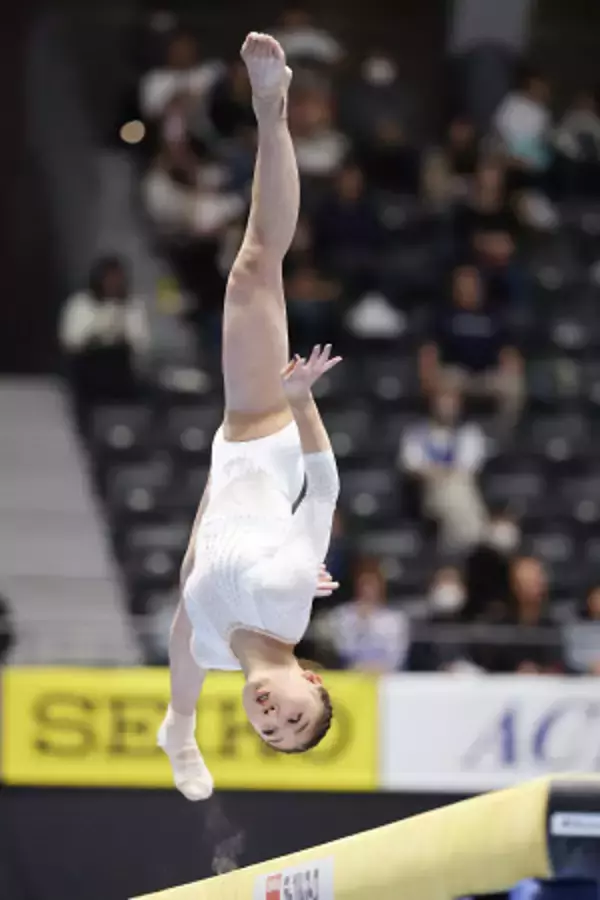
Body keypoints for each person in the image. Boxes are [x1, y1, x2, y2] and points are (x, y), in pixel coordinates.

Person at [157, 33, 341, 802]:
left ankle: (175, 727)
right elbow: (324, 493)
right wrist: (301, 406)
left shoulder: (216, 647)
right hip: (264, 428)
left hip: (224, 466)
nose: (275, 723)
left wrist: (181, 715)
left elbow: (185, 598)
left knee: (253, 266)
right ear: (308, 677)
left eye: (271, 736)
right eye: (298, 720)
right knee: (255, 264)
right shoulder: (291, 598)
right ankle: (272, 109)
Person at [400, 384, 488, 554]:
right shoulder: (416, 433)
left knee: (457, 490)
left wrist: (437, 470)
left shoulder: (470, 433)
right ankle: (476, 540)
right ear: (432, 403)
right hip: (428, 492)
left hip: (462, 488)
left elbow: (469, 468)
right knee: (452, 493)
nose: (446, 405)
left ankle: (461, 548)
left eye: (451, 401)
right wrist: (439, 473)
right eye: (442, 400)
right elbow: (411, 465)